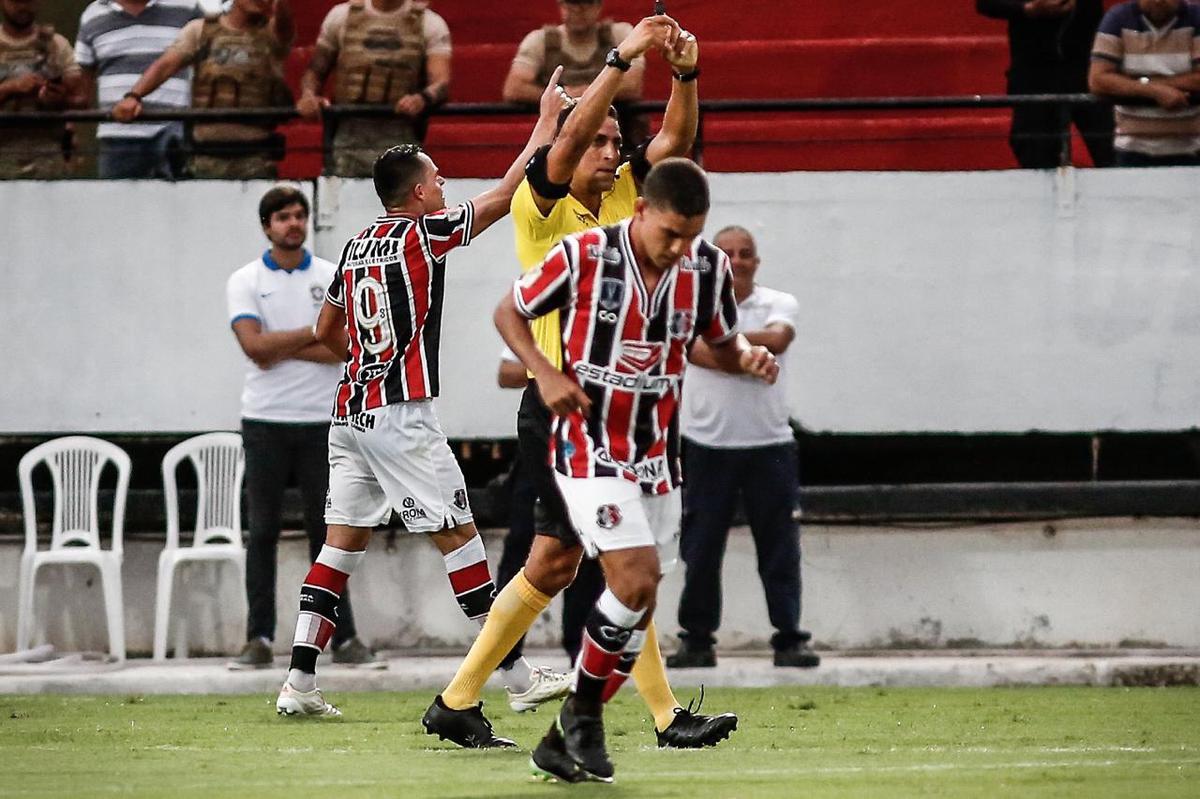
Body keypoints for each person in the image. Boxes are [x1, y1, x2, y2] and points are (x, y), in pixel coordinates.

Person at [423, 13, 738, 754]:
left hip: (617, 410)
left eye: (613, 141)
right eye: (594, 139)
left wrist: (685, 74)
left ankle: (458, 700)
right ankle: (662, 717)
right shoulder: (543, 198)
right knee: (612, 558)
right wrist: (623, 59)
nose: (608, 148)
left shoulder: (635, 196)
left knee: (562, 562)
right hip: (559, 404)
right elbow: (563, 142)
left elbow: (677, 145)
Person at [274, 68, 572, 723]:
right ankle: (518, 673)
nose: (444, 188)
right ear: (415, 192)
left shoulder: (355, 246)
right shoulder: (421, 233)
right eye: (437, 179)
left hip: (348, 411)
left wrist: (369, 354)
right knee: (461, 537)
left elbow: (327, 331)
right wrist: (545, 125)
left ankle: (298, 678)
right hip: (399, 415)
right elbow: (502, 196)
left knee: (338, 546)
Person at [495, 158, 779, 784]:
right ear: (642, 211)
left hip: (656, 453)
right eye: (669, 235)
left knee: (642, 597)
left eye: (691, 236)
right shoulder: (584, 255)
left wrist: (749, 358)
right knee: (634, 576)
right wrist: (546, 372)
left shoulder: (706, 268)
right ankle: (583, 721)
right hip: (587, 444)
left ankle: (567, 727)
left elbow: (722, 343)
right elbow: (508, 313)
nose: (679, 248)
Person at [224, 186, 380, 670]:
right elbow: (253, 347)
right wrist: (314, 334)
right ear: (267, 226)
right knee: (264, 531)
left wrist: (283, 344)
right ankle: (259, 639)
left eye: (300, 215)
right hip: (265, 422)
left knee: (331, 533)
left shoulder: (332, 274)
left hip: (323, 422)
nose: (294, 224)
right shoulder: (245, 280)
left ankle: (345, 637)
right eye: (283, 217)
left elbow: (346, 347)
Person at [667, 226, 819, 671]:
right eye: (728, 254)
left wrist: (723, 349)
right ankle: (697, 640)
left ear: (757, 260)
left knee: (780, 550)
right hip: (706, 446)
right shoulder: (690, 303)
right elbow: (694, 351)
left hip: (770, 445)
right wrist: (747, 357)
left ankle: (789, 638)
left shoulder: (779, 302)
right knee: (700, 550)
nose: (738, 261)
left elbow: (779, 339)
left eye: (746, 253)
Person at [491, 348, 606, 677]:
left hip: (585, 439)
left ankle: (580, 649)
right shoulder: (543, 313)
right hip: (546, 434)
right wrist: (549, 372)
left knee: (588, 547)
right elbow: (506, 372)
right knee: (528, 550)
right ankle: (505, 654)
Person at [111, 0, 295, 179]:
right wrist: (134, 96)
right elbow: (166, 65)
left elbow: (285, 26)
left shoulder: (272, 34)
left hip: (256, 158)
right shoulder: (201, 30)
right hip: (205, 157)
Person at [297, 0, 451, 178]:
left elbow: (441, 83)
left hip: (399, 132)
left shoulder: (429, 23)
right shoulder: (341, 17)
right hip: (348, 134)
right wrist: (308, 95)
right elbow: (315, 71)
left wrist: (422, 98)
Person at [977, 0, 1114, 168]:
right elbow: (985, 4)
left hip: (1086, 67)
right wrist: (1026, 9)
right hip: (1034, 73)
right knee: (1035, 154)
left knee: (1111, 150)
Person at [75, 0, 203, 179]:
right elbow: (81, 84)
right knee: (118, 203)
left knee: (180, 202)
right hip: (118, 136)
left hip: (175, 133)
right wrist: (70, 128)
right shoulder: (93, 13)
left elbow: (208, 62)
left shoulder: (187, 7)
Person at [502, 0, 646, 149]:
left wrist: (574, 95)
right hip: (557, 141)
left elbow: (632, 86)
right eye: (571, 4)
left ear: (598, 6)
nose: (578, 10)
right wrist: (564, 96)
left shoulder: (620, 34)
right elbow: (514, 88)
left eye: (585, 4)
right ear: (561, 5)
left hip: (616, 139)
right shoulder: (539, 41)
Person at [1089, 0, 1200, 166]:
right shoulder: (1118, 18)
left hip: (1191, 148)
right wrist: (1155, 91)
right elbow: (1098, 80)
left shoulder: (1196, 17)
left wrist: (1142, 84)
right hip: (1131, 149)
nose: (1158, 1)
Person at [0, 0, 85, 179]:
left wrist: (57, 99)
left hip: (48, 158)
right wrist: (11, 88)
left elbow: (82, 100)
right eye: (15, 1)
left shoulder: (56, 44)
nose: (23, 6)